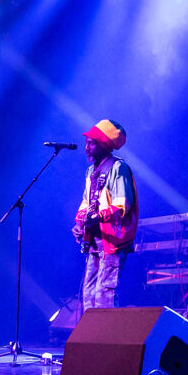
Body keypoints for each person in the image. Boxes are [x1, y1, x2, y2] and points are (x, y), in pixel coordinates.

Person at [73, 119, 139, 310]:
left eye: (91, 143)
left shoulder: (118, 167)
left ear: (103, 145)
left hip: (112, 241)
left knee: (104, 294)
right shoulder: (91, 171)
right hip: (94, 240)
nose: (86, 148)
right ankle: (91, 330)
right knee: (89, 294)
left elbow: (123, 203)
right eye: (86, 143)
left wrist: (98, 217)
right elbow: (86, 201)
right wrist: (80, 223)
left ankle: (108, 330)